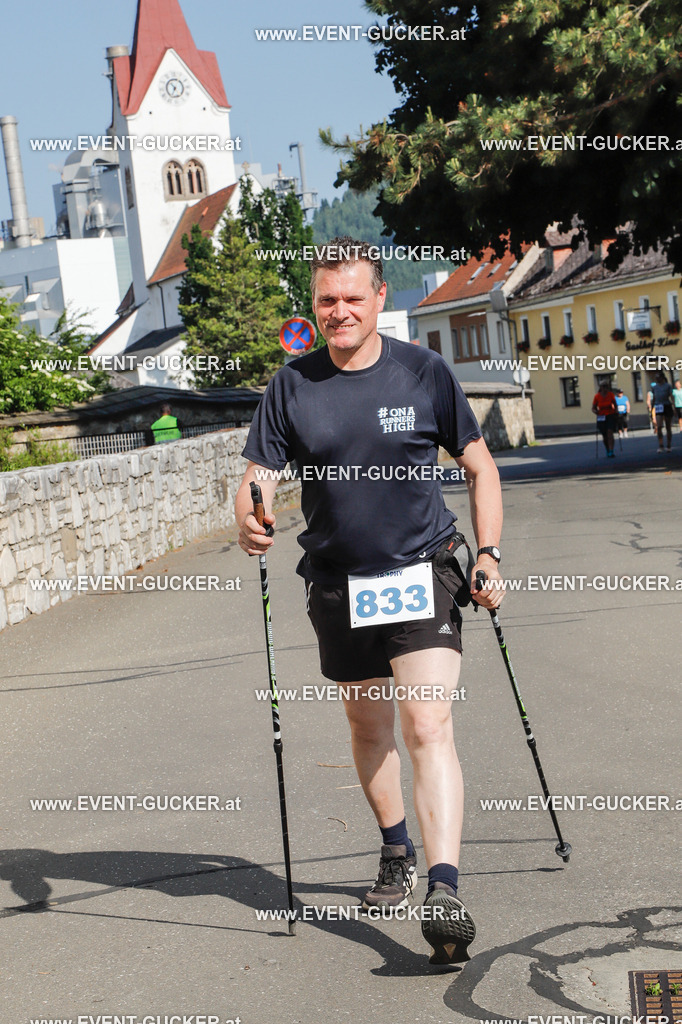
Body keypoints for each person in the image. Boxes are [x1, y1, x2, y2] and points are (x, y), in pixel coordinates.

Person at [235, 237, 504, 965]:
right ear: (315, 304)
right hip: (338, 585)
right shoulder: (293, 385)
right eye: (327, 300)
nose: (340, 311)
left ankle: (444, 889)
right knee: (367, 725)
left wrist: (488, 553)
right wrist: (249, 510)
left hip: (422, 574)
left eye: (354, 297)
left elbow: (480, 469)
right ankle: (396, 849)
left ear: (382, 298)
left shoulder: (425, 372)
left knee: (428, 722)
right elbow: (258, 470)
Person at [591, 380, 618, 457]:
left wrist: (616, 411)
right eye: (604, 386)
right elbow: (593, 408)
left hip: (610, 415)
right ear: (601, 388)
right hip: (601, 416)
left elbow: (615, 405)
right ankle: (607, 449)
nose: (605, 388)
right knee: (604, 435)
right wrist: (596, 412)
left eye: (606, 386)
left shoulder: (611, 395)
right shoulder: (597, 396)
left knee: (610, 432)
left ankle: (611, 450)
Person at [650, 371, 673, 452]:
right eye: (656, 378)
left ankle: (669, 445)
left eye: (658, 377)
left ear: (662, 378)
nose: (657, 379)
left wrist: (673, 406)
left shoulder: (667, 386)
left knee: (668, 426)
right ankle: (661, 445)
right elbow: (654, 398)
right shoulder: (654, 387)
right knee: (659, 426)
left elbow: (671, 396)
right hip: (658, 406)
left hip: (666, 405)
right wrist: (652, 408)